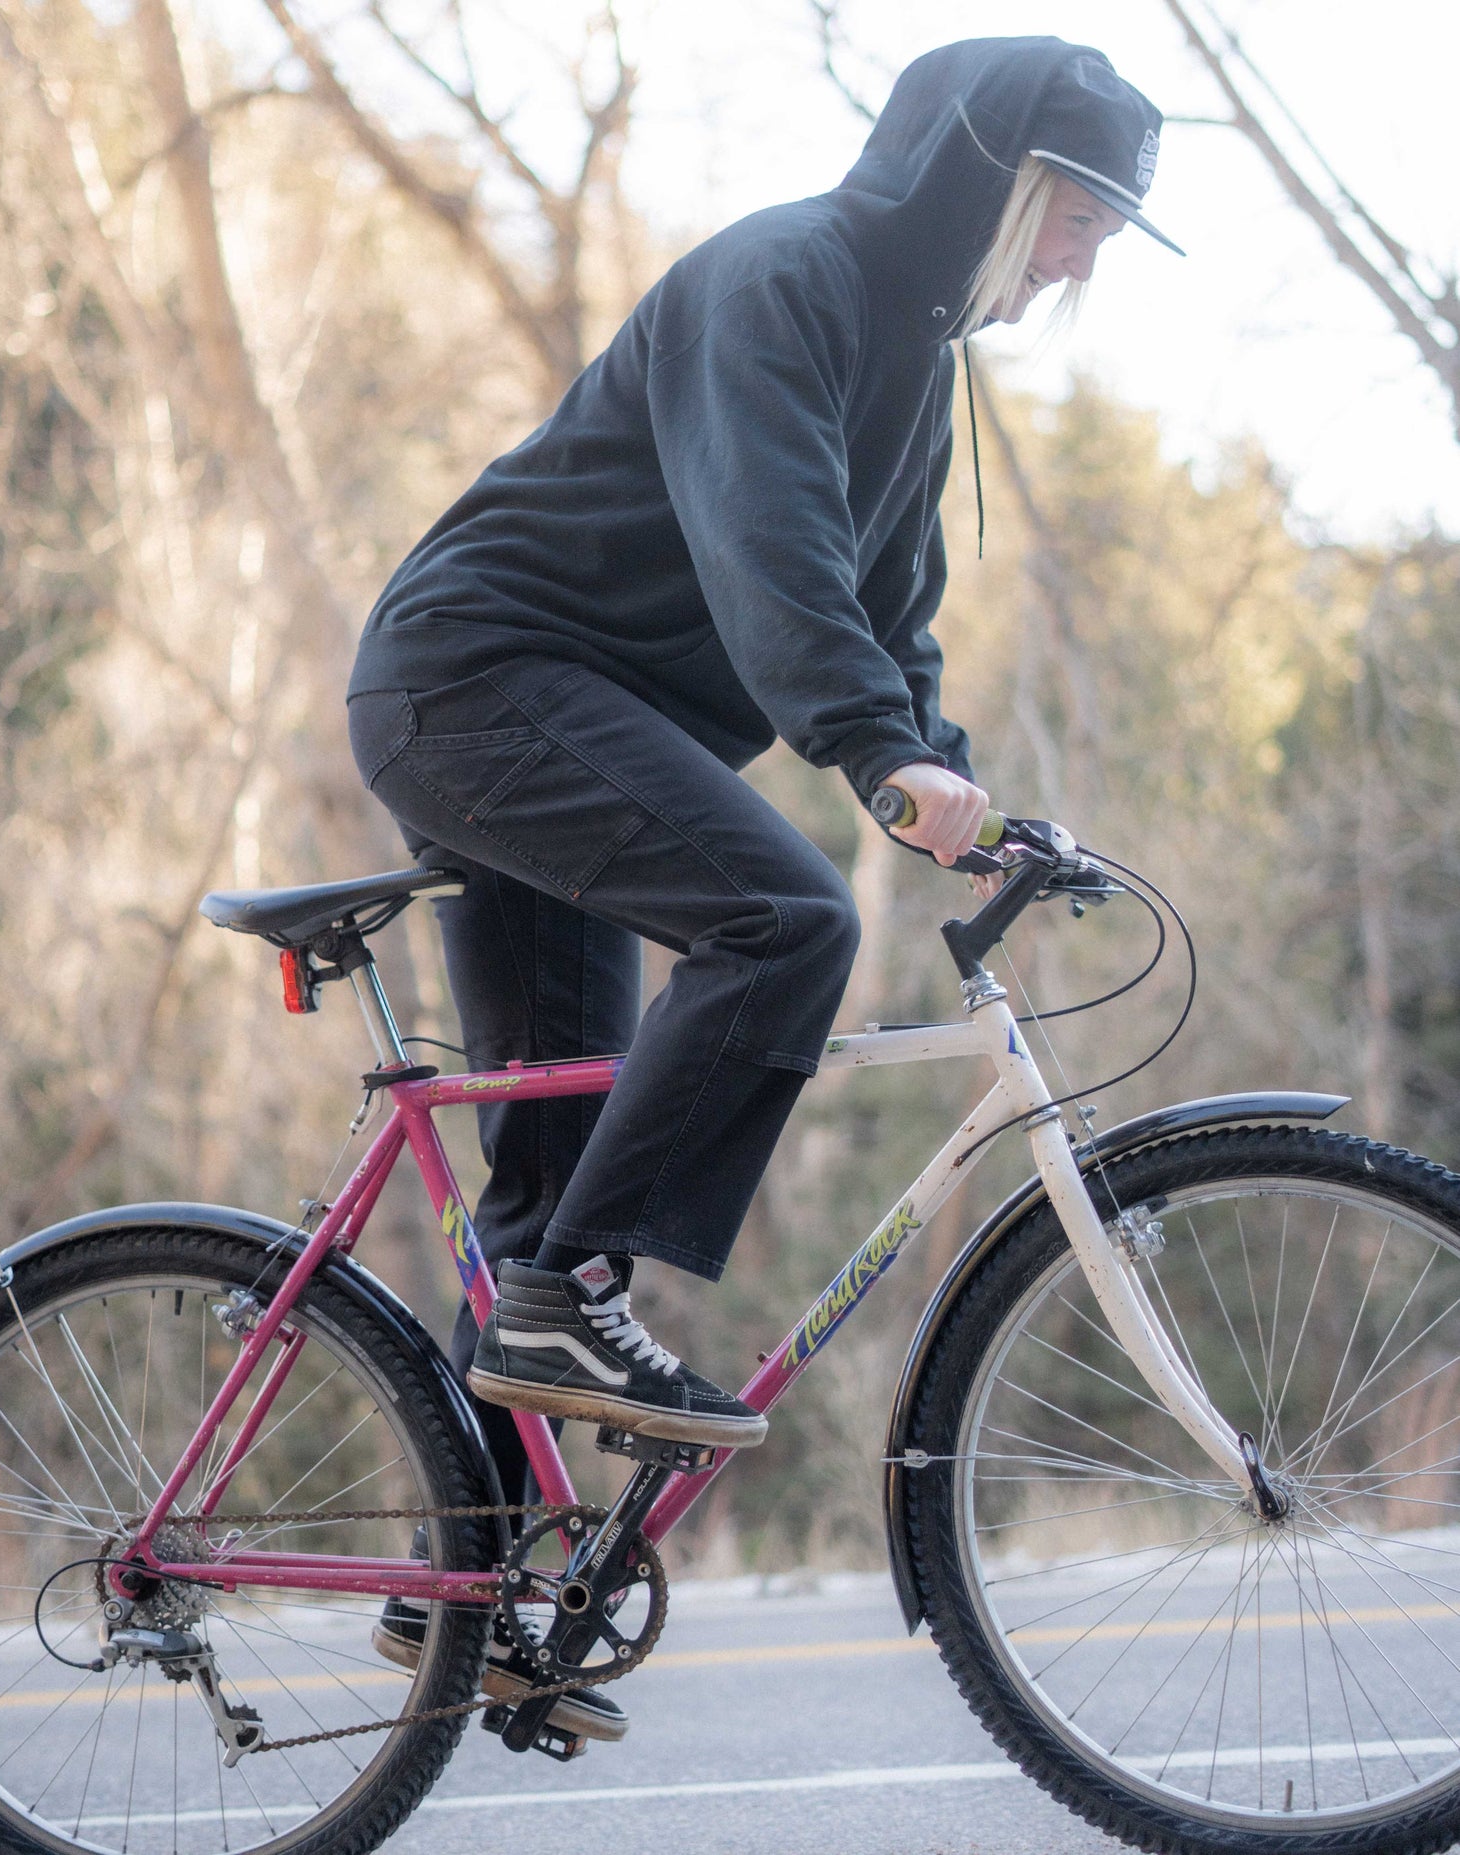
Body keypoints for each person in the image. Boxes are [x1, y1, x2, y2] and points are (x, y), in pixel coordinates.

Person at [352, 35, 1181, 1718]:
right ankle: (582, 1303)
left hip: (561, 726)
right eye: (1081, 215)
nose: (1086, 259)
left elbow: (895, 609)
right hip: (477, 682)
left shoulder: (914, 365)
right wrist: (877, 757)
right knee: (785, 920)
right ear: (991, 179)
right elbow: (771, 548)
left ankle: (465, 1595)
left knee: (549, 1168)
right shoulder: (782, 280)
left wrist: (962, 779)